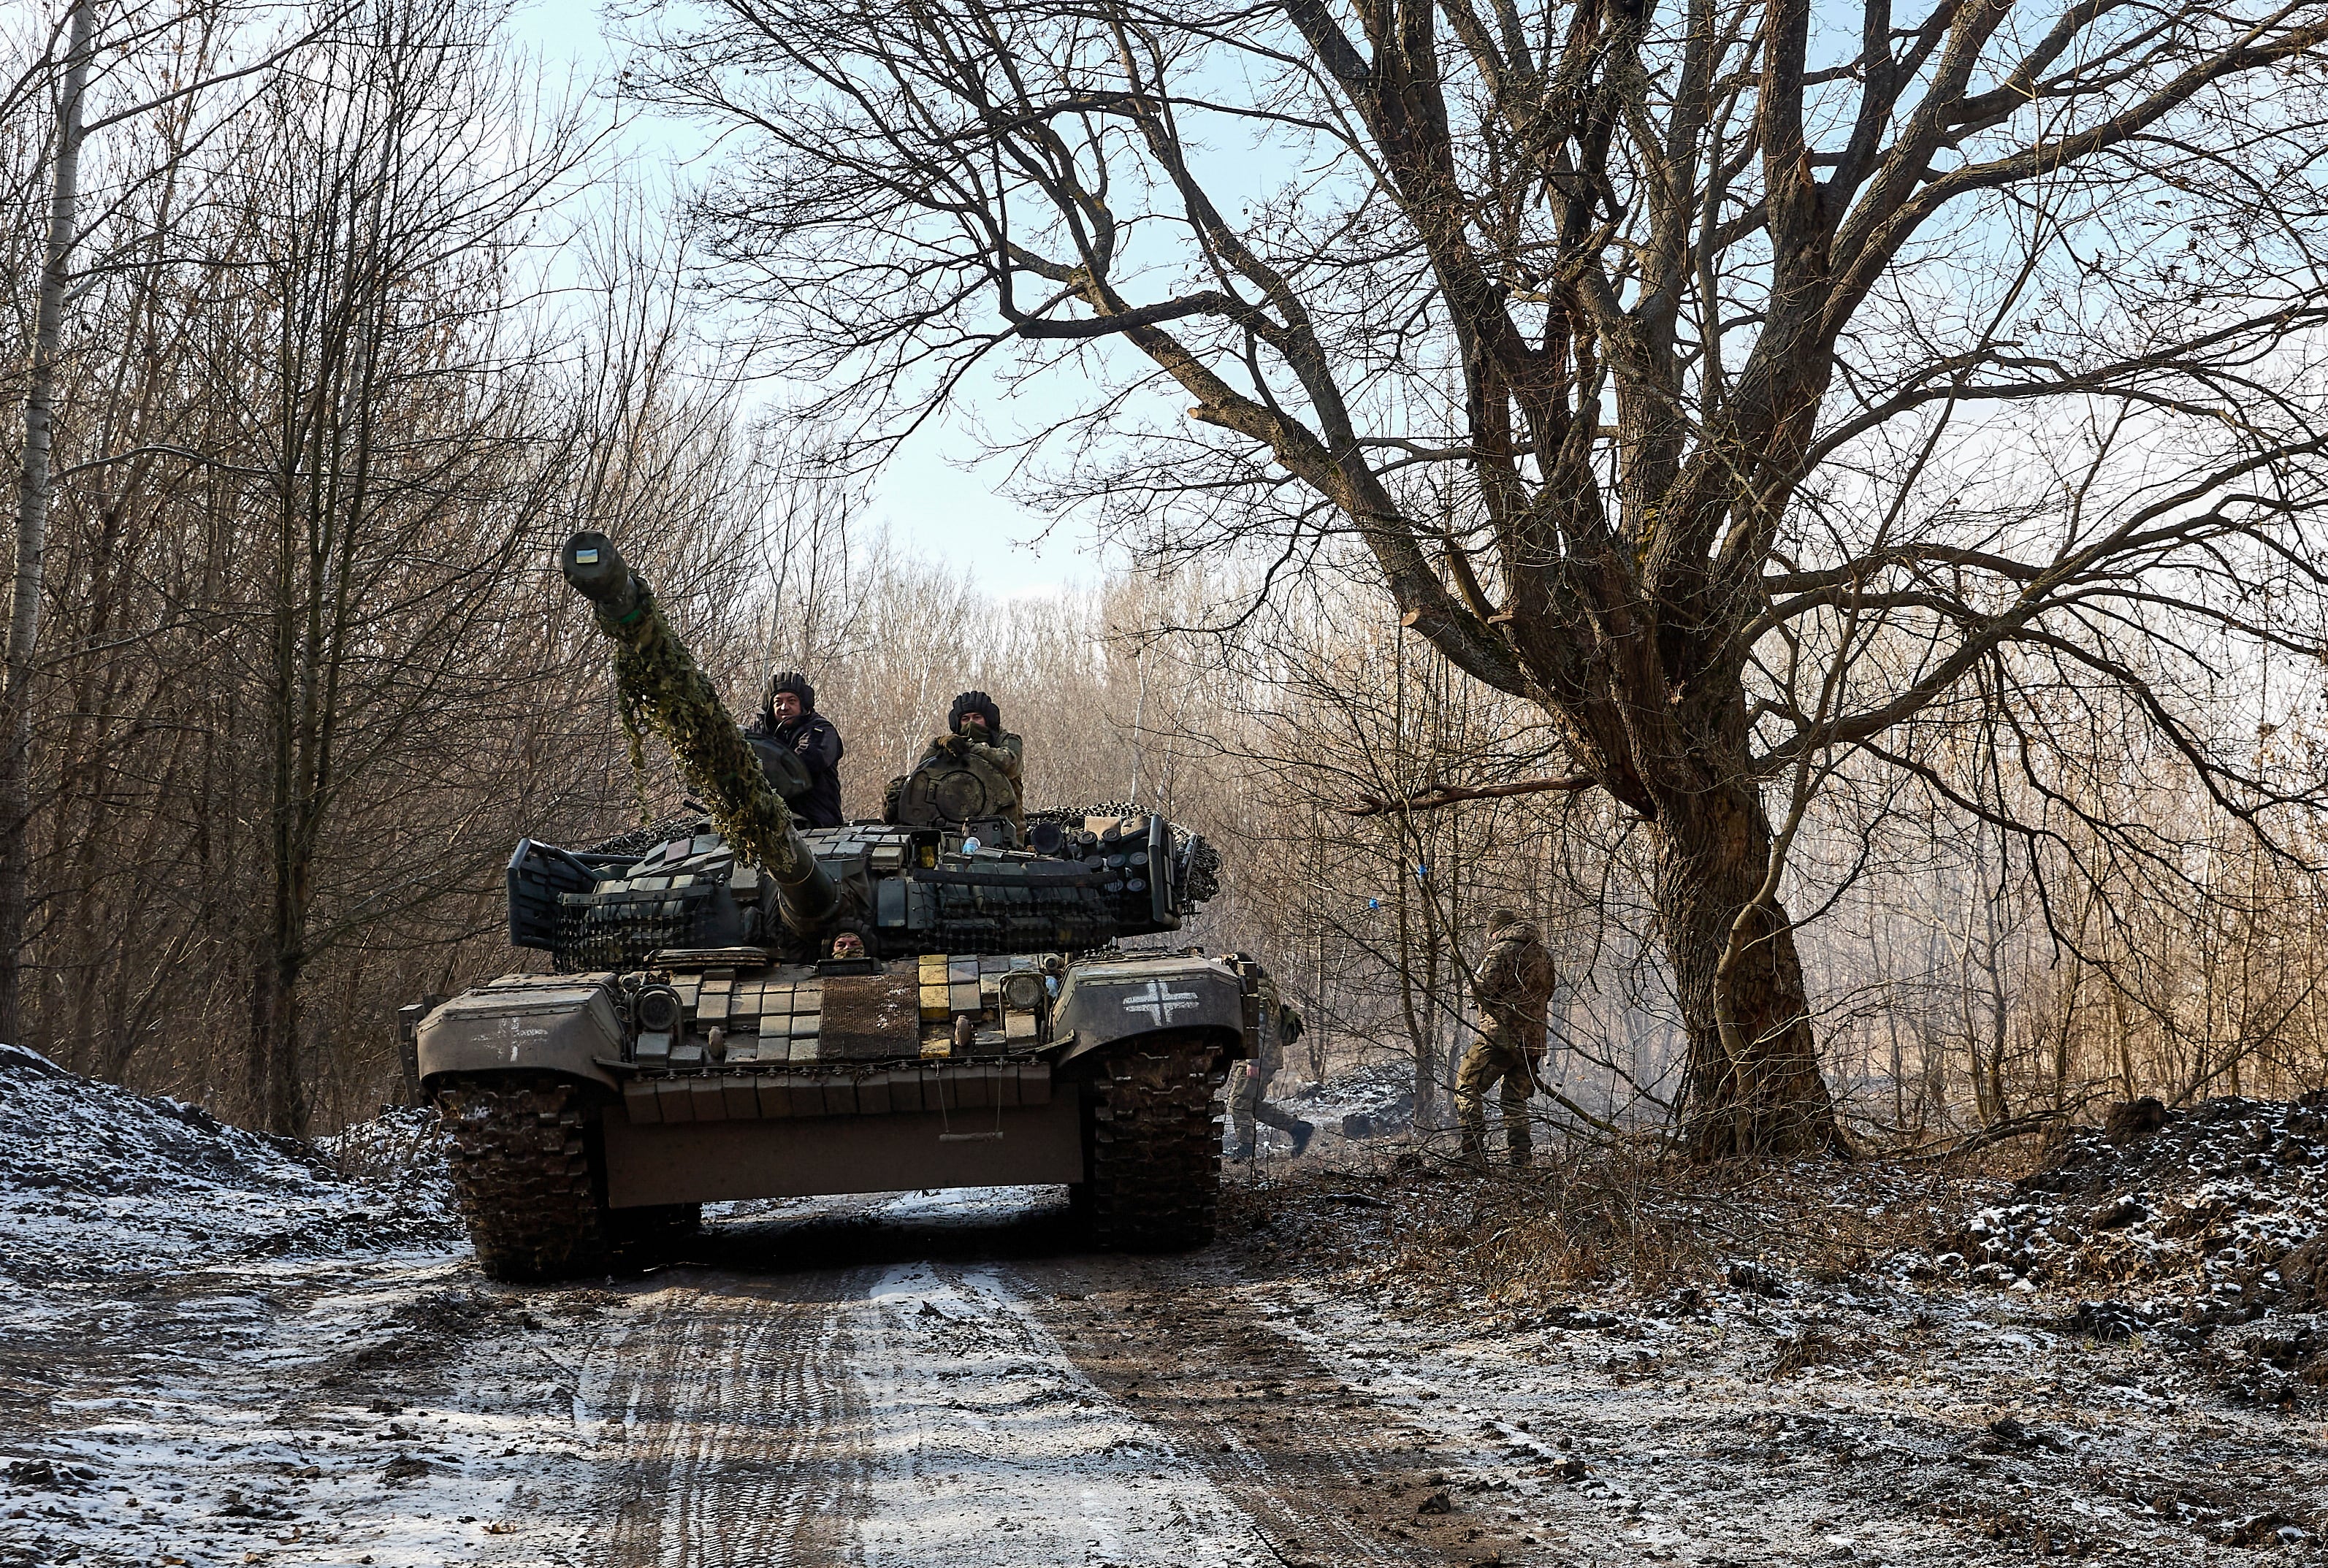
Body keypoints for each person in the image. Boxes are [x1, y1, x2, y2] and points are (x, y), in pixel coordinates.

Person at [1457, 907, 1557, 1169]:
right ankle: (1521, 1160)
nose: (1490, 939)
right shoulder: (1543, 954)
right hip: (1533, 1041)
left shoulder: (1501, 951)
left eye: (1491, 934)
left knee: (1467, 1086)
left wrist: (1471, 992)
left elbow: (1480, 989)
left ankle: (1473, 1155)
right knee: (1515, 1100)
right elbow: (1550, 991)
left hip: (1499, 1036)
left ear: (1497, 930)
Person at [743, 669, 845, 828]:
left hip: (814, 822)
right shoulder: (759, 732)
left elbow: (800, 767)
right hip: (765, 821)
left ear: (803, 704)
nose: (784, 707)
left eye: (791, 701)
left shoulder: (821, 731)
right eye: (778, 702)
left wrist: (757, 770)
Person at [1228, 998, 1316, 1158]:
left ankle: (1246, 1151)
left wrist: (1253, 1061)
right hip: (1263, 1058)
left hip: (1259, 1058)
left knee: (1238, 1103)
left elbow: (1261, 1028)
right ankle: (1298, 1128)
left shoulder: (1258, 990)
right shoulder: (1259, 986)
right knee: (1251, 1105)